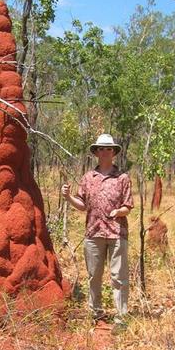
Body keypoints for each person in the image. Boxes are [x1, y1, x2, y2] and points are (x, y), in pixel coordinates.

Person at [61, 134, 134, 324]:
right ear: (96, 152)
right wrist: (68, 197)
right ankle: (96, 312)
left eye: (108, 149)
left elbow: (128, 206)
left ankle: (121, 315)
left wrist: (119, 211)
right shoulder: (88, 177)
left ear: (114, 152)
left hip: (117, 233)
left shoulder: (122, 178)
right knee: (94, 275)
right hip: (93, 233)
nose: (104, 152)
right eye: (101, 149)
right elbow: (83, 204)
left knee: (119, 276)